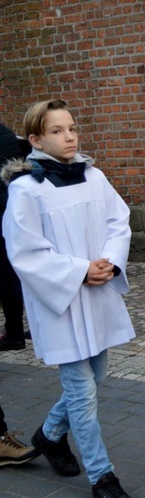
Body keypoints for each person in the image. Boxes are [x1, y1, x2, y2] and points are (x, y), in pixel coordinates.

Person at [1, 99, 133, 497]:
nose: (69, 136)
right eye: (57, 131)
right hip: (60, 300)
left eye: (72, 127)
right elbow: (25, 251)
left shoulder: (95, 177)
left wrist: (108, 263)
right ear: (35, 139)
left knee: (96, 377)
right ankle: (102, 475)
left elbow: (119, 220)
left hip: (98, 292)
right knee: (82, 390)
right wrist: (78, 271)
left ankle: (49, 435)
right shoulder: (27, 189)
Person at [0, 123, 28, 351]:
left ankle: (14, 333)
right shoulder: (6, 132)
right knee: (14, 274)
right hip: (10, 206)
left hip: (3, 208)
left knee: (7, 277)